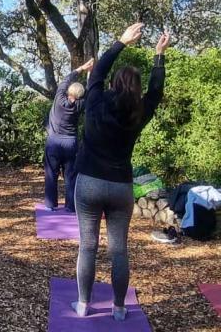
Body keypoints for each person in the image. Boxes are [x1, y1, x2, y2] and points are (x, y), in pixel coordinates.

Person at [72, 23, 170, 321]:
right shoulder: (139, 111)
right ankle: (118, 307)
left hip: (89, 183)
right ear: (136, 90)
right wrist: (159, 56)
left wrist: (121, 42)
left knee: (87, 246)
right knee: (119, 250)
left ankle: (83, 304)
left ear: (112, 83)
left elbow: (98, 71)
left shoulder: (96, 101)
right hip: (120, 188)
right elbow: (156, 91)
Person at [43, 58, 94, 212]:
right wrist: (90, 74)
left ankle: (51, 205)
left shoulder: (59, 98)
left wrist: (83, 68)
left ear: (68, 91)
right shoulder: (80, 104)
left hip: (54, 142)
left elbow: (67, 79)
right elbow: (91, 90)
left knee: (51, 174)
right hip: (70, 143)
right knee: (70, 175)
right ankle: (71, 206)